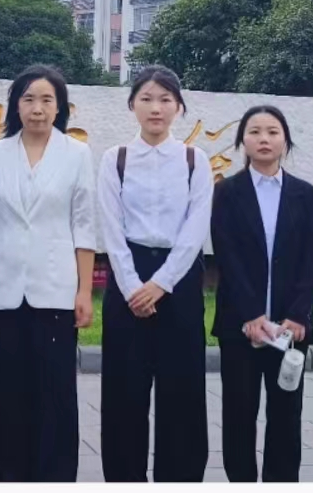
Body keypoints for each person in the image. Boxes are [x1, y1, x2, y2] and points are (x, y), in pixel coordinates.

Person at [0, 65, 97, 482]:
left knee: (56, 394)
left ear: (60, 107)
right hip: (5, 291)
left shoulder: (76, 154)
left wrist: (84, 291)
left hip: (56, 290)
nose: (37, 109)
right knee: (13, 396)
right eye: (28, 99)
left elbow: (84, 226)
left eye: (46, 100)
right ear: (16, 106)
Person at [97, 64, 213, 482]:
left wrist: (161, 284)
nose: (156, 108)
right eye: (146, 99)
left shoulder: (194, 160)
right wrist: (133, 287)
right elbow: (111, 228)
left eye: (165, 99)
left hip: (179, 281)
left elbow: (196, 228)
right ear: (132, 105)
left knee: (181, 392)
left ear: (179, 107)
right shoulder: (115, 159)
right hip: (127, 278)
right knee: (124, 391)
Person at [212, 105, 313, 483]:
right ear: (242, 140)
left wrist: (298, 315)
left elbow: (310, 259)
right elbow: (227, 257)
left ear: (285, 141)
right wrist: (251, 315)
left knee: (286, 416)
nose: (264, 139)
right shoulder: (227, 192)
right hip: (241, 327)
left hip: (291, 329)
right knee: (239, 415)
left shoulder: (304, 194)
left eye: (273, 132)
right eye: (255, 131)